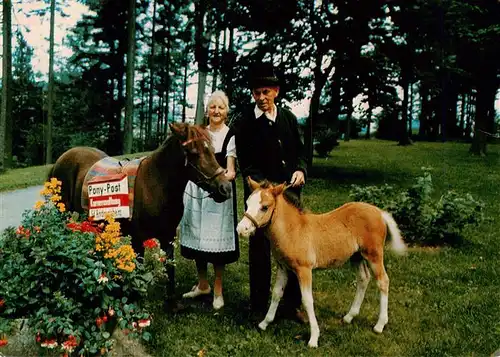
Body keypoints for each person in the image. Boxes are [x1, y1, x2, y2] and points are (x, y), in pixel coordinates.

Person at [235, 62, 307, 321]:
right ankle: (258, 305)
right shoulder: (245, 122)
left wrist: (300, 169)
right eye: (257, 93)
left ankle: (293, 304)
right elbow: (247, 164)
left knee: (293, 249)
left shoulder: (288, 117)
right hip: (263, 197)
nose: (262, 98)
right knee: (260, 250)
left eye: (266, 91)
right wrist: (266, 190)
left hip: (290, 195)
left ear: (276, 91)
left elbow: (301, 151)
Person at [179, 90, 239, 310]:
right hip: (196, 191)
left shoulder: (230, 134)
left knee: (217, 243)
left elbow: (231, 170)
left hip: (218, 193)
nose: (216, 111)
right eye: (212, 107)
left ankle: (218, 289)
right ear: (207, 110)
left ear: (226, 112)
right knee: (198, 237)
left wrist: (218, 179)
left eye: (220, 107)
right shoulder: (200, 132)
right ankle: (202, 284)